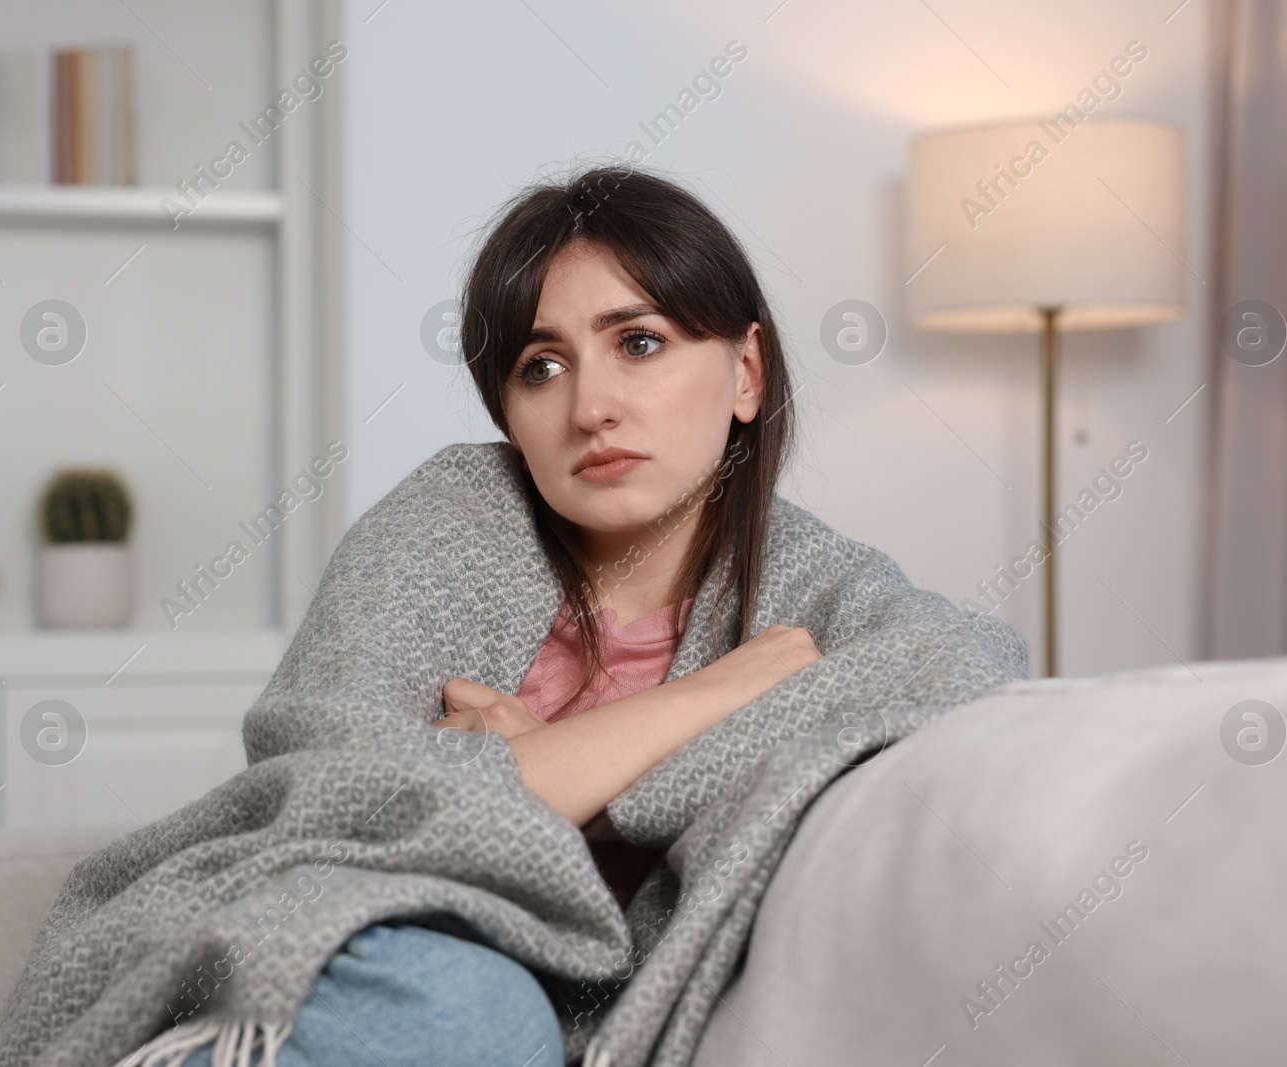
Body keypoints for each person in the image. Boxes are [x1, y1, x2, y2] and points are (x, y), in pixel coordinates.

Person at [184, 163, 836, 1066]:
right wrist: (704, 701)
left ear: (747, 373)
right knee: (467, 1004)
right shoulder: (448, 524)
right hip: (341, 980)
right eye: (542, 366)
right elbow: (335, 805)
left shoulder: (819, 589)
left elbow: (959, 673)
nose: (591, 407)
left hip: (567, 1032)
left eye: (638, 343)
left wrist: (539, 767)